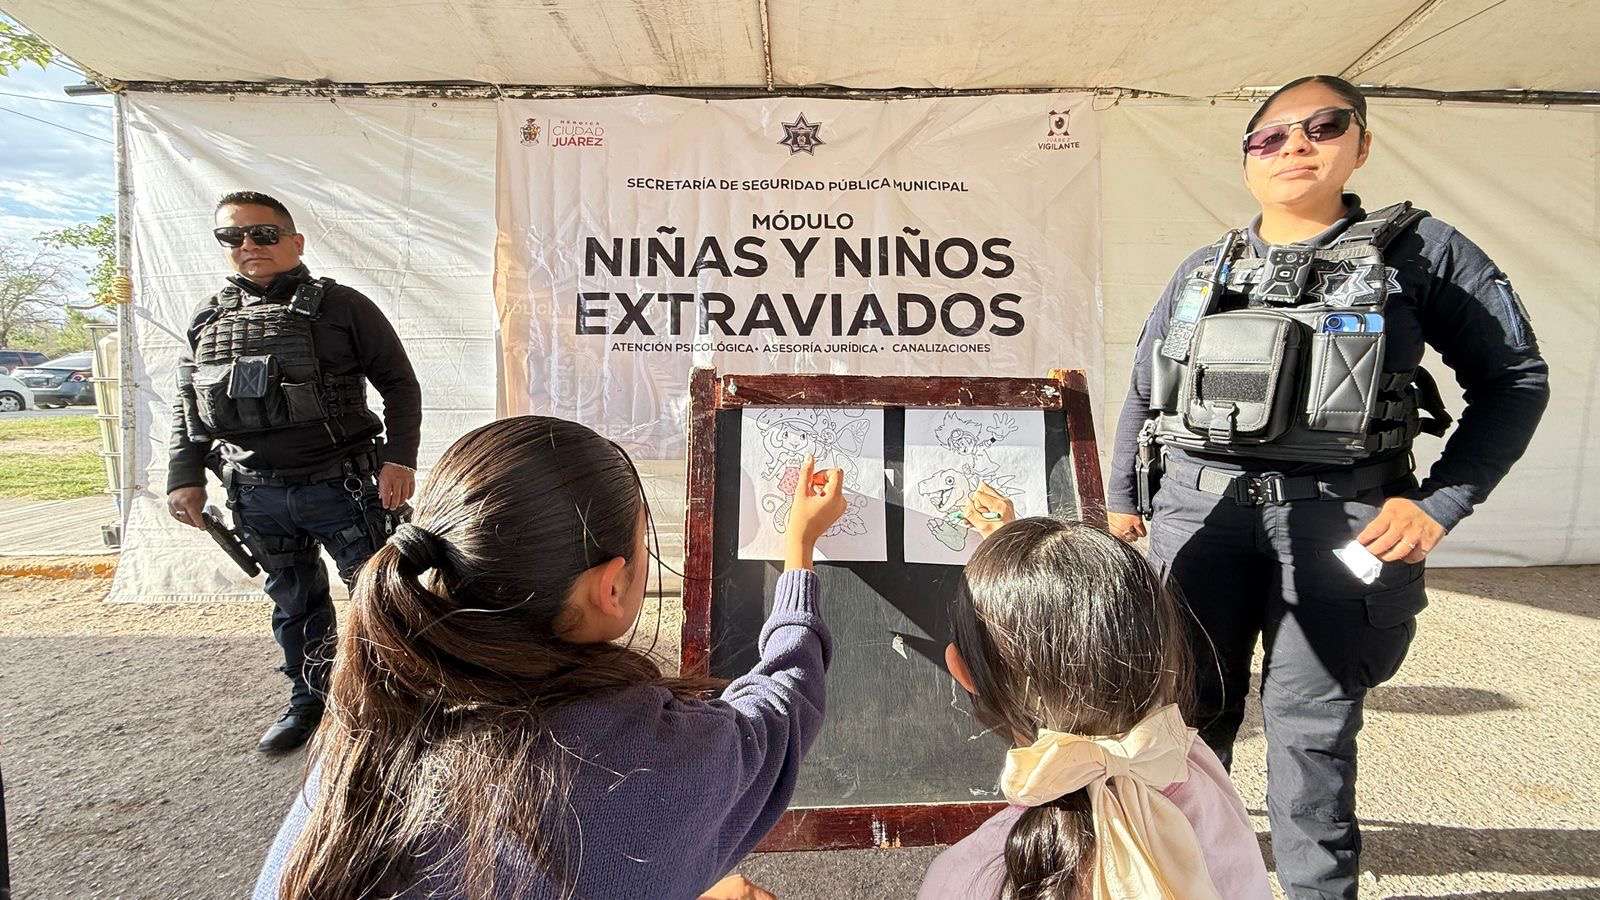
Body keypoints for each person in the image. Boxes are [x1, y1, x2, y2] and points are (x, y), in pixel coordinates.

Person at [1105, 75, 1550, 896]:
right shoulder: (1207, 267)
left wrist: (1441, 501)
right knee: (1182, 723)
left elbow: (1515, 379)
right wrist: (1124, 499)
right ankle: (1190, 879)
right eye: (1270, 136)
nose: (1296, 146)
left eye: (1323, 126)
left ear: (1362, 145)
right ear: (1247, 161)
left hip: (1341, 520)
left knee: (1310, 736)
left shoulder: (1423, 253)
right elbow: (1145, 386)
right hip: (1199, 514)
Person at [252, 416, 846, 899]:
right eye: (643, 543)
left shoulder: (369, 730)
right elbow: (783, 706)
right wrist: (798, 553)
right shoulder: (654, 763)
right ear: (609, 588)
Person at [165, 191, 423, 753]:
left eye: (263, 233)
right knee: (294, 603)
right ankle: (311, 701)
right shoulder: (208, 318)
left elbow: (400, 385)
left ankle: (396, 701)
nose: (248, 245)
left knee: (380, 597)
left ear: (295, 242)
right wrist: (184, 476)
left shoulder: (343, 307)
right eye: (232, 237)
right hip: (256, 493)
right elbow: (188, 406)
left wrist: (400, 458)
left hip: (343, 485)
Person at [919, 507, 1271, 900]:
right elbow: (1093, 633)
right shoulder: (1197, 767)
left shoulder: (968, 877)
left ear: (961, 671)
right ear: (1164, 649)